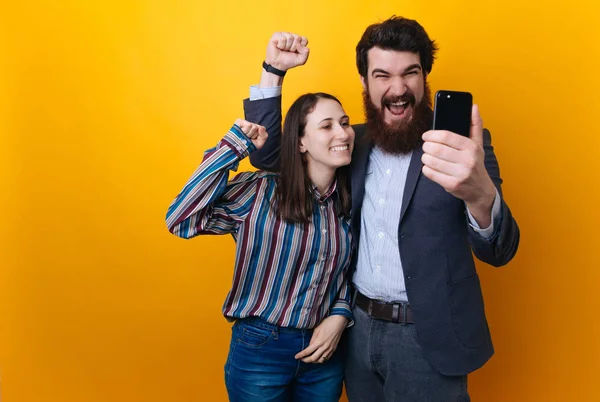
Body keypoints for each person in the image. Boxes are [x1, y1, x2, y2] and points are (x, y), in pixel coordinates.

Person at [245, 17, 520, 402]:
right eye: (382, 75)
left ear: (425, 77)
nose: (398, 89)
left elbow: (499, 250)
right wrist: (272, 72)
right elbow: (273, 156)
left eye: (410, 72)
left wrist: (480, 196)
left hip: (429, 339)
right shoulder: (349, 141)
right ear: (364, 82)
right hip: (355, 333)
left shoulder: (463, 148)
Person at [166, 91, 356, 402]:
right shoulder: (260, 191)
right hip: (261, 350)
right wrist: (234, 148)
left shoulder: (347, 200)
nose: (343, 133)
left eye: (345, 123)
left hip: (324, 355)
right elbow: (181, 220)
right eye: (327, 126)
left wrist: (340, 313)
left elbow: (352, 272)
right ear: (300, 143)